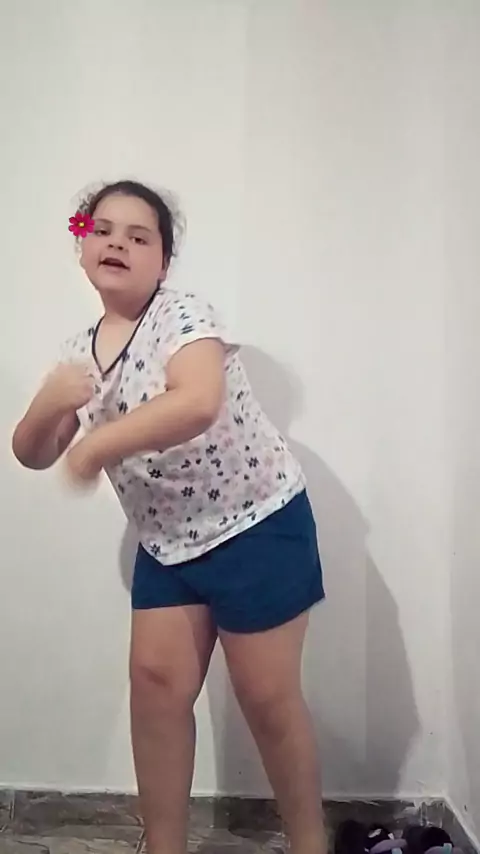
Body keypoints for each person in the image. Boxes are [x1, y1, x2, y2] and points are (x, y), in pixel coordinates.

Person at [12, 180, 327, 854]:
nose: (117, 243)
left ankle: (310, 844)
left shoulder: (183, 317)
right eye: (102, 230)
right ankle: (164, 847)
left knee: (267, 698)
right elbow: (34, 453)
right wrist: (49, 402)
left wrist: (97, 444)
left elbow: (197, 401)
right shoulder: (79, 353)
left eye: (139, 236)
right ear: (81, 246)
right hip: (167, 543)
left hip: (255, 524)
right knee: (155, 688)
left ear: (163, 260)